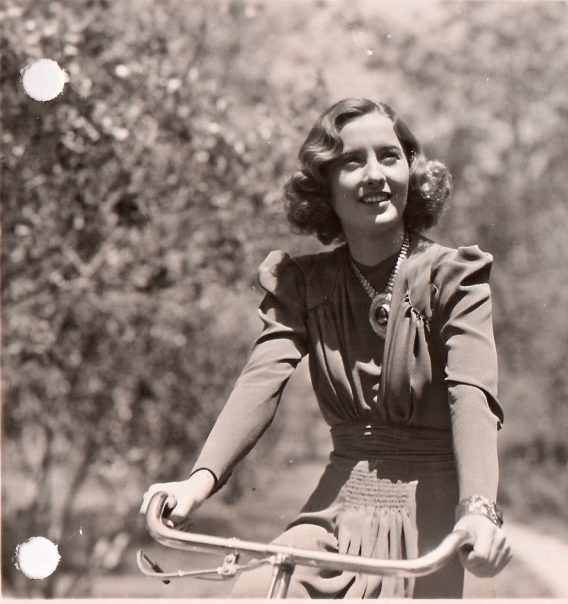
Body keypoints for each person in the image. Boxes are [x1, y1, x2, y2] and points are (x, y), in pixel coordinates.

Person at [140, 97, 511, 598]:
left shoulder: (454, 278)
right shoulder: (304, 283)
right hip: (336, 505)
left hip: (430, 516)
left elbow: (471, 394)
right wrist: (197, 482)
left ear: (411, 171)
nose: (375, 175)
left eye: (389, 156)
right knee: (256, 591)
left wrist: (478, 511)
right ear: (325, 187)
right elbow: (261, 379)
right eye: (352, 161)